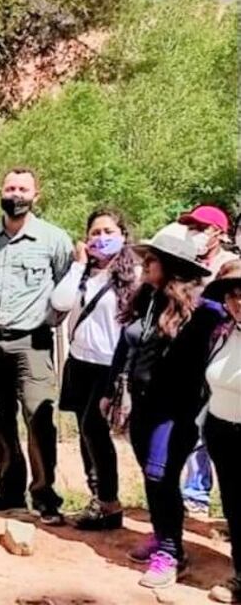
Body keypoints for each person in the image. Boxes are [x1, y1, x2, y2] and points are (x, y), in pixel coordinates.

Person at [111, 223, 219, 589]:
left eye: (151, 260)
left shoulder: (205, 312)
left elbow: (231, 319)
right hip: (142, 406)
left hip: (177, 411)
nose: (144, 266)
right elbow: (126, 346)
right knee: (152, 475)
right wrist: (113, 388)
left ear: (172, 266)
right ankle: (162, 532)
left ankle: (172, 553)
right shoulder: (147, 298)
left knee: (161, 474)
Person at [0, 167, 73, 525]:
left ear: (35, 196)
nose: (16, 194)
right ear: (0, 191)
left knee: (39, 417)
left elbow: (66, 287)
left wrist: (50, 323)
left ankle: (45, 496)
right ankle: (8, 493)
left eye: (23, 189)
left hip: (34, 342)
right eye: (10, 188)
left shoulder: (54, 239)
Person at [50, 207, 138, 530]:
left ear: (123, 236)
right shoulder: (84, 273)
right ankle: (99, 500)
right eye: (95, 233)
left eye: (108, 232)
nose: (101, 238)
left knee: (94, 429)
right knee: (85, 433)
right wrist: (78, 265)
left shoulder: (134, 276)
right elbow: (60, 302)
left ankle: (110, 502)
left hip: (109, 367)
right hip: (80, 361)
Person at [178, 205, 235, 517]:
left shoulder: (230, 267)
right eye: (191, 227)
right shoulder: (186, 265)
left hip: (227, 359)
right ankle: (196, 494)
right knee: (195, 424)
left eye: (201, 227)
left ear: (219, 233)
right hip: (195, 358)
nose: (194, 233)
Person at [202, 260, 241, 603]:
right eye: (233, 294)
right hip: (220, 429)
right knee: (234, 506)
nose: (239, 301)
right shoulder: (223, 332)